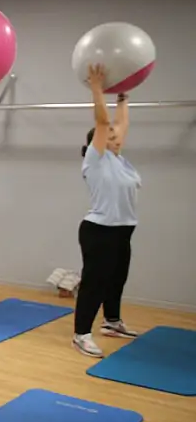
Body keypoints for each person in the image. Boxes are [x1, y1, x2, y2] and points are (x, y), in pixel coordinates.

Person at [72, 64, 140, 358]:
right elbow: (103, 122)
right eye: (109, 135)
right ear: (96, 143)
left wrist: (123, 97)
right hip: (99, 231)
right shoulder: (95, 159)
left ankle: (112, 322)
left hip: (123, 230)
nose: (116, 137)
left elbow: (120, 125)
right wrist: (97, 89)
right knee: (94, 284)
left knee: (117, 278)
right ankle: (81, 334)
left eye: (116, 136)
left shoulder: (119, 159)